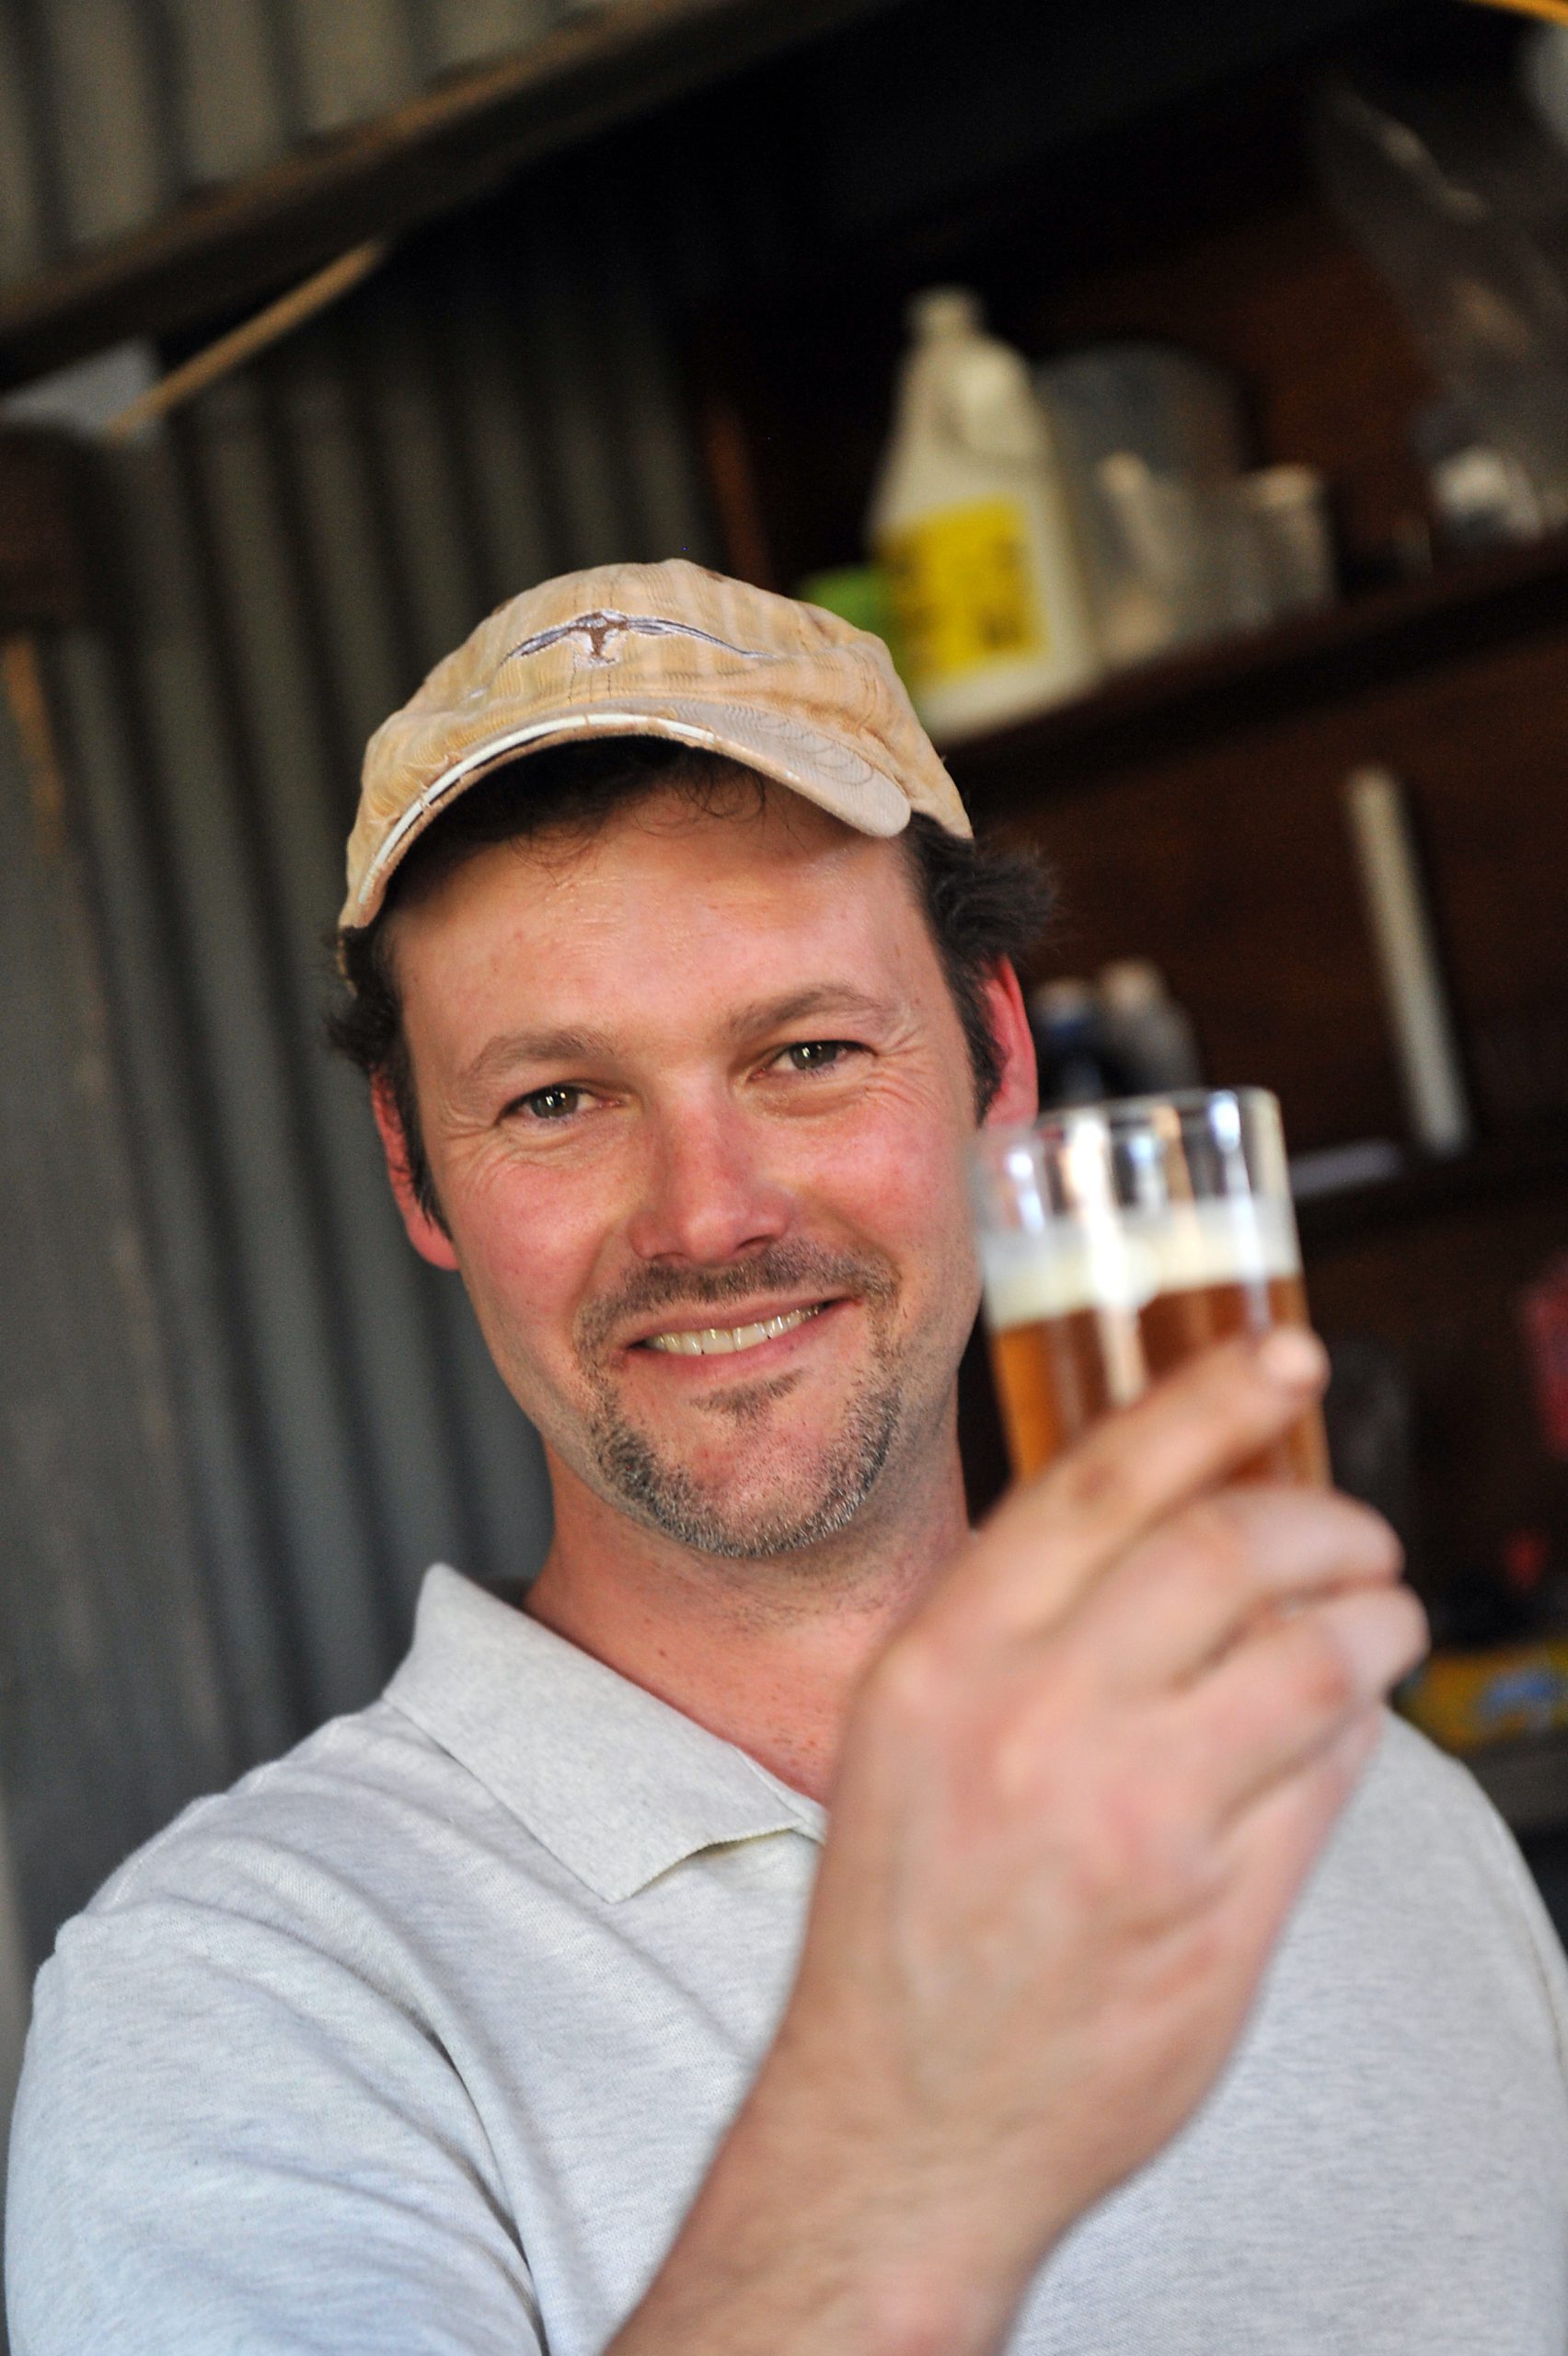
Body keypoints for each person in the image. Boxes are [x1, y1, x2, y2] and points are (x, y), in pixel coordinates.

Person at [6, 560, 1566, 2356]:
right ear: (414, 1168)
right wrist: (912, 2123)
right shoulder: (243, 1992)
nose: (710, 1215)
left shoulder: (1380, 1802)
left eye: (808, 1051)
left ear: (995, 1057)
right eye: (556, 1099)